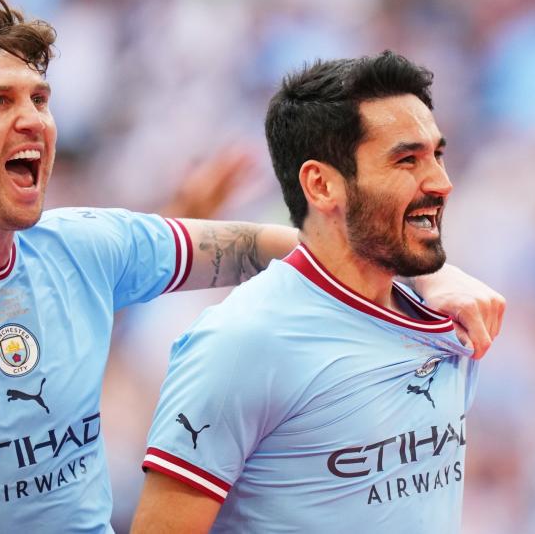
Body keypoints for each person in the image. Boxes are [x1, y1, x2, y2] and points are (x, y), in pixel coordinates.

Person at [0, 0, 501, 533]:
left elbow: (280, 247)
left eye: (41, 97)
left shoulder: (82, 246)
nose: (34, 117)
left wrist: (426, 273)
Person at [132, 52, 489, 533]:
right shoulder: (242, 342)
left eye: (437, 155)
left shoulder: (452, 320)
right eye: (407, 160)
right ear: (321, 185)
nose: (442, 183)